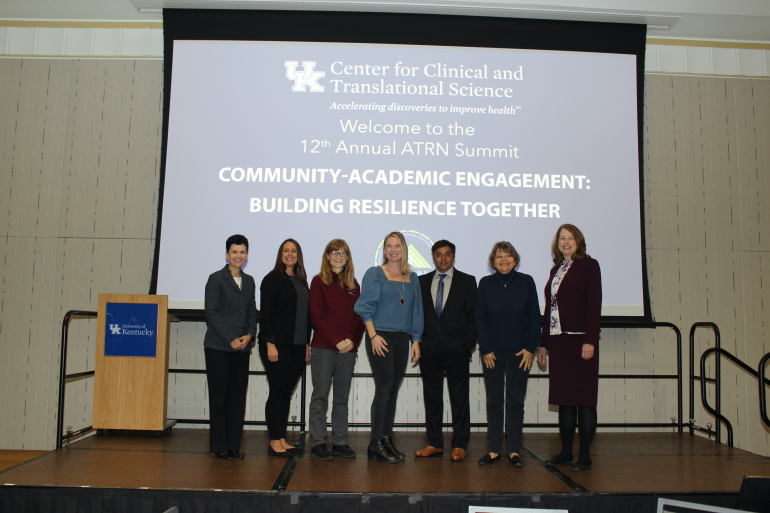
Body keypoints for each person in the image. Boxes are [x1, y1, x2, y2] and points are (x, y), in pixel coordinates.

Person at [536, 224, 602, 472]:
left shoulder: (589, 265)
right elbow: (549, 310)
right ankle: (565, 452)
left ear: (579, 241)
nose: (566, 242)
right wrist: (544, 345)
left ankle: (584, 455)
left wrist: (590, 340)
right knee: (564, 400)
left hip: (581, 341)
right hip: (560, 342)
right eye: (562, 238)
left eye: (570, 238)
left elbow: (594, 303)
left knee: (584, 401)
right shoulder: (556, 269)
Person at [354, 231, 424, 463]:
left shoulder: (412, 278)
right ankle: (375, 444)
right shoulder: (375, 274)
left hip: (402, 339)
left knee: (393, 390)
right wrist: (373, 336)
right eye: (389, 246)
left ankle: (386, 439)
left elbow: (416, 311)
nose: (393, 250)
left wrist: (416, 340)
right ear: (384, 250)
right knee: (383, 389)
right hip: (380, 336)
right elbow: (364, 307)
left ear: (403, 249)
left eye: (398, 246)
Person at [476, 241, 541, 466]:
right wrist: (485, 348)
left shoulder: (526, 282)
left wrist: (531, 348)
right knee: (494, 401)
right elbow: (480, 318)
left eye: (508, 256)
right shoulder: (485, 283)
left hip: (520, 353)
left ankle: (514, 450)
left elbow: (535, 316)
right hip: (491, 353)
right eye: (499, 256)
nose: (504, 260)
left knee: (515, 402)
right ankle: (494, 449)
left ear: (515, 259)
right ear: (493, 261)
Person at [415, 240, 477, 462]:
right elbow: (416, 315)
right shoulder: (421, 281)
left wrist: (466, 345)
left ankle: (460, 445)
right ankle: (434, 443)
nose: (443, 258)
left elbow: (473, 316)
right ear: (433, 257)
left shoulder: (468, 281)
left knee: (459, 399)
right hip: (429, 349)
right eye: (439, 254)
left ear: (453, 257)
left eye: (447, 254)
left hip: (457, 350)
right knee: (432, 399)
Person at [308, 239, 365, 461]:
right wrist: (337, 341)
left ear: (348, 257)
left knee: (341, 398)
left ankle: (340, 441)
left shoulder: (354, 285)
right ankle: (318, 441)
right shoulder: (318, 282)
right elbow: (317, 315)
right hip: (324, 347)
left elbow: (359, 317)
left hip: (347, 350)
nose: (338, 256)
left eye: (343, 253)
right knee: (320, 395)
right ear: (327, 256)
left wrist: (351, 340)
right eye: (334, 252)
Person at [203, 234, 258, 461]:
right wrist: (231, 338)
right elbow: (212, 313)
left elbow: (252, 311)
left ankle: (234, 446)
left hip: (242, 349)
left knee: (237, 397)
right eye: (234, 252)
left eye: (242, 252)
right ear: (227, 255)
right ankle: (219, 447)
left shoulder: (250, 280)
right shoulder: (216, 279)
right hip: (218, 347)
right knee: (219, 397)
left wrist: (250, 335)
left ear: (246, 255)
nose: (238, 256)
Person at [258, 238, 312, 457]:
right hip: (277, 346)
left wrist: (307, 343)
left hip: (298, 347)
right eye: (286, 250)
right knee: (277, 392)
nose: (290, 254)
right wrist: (270, 343)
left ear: (298, 255)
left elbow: (305, 316)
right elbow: (266, 314)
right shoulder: (272, 279)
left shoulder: (301, 280)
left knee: (285, 393)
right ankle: (274, 441)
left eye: (294, 251)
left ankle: (281, 438)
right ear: (280, 254)